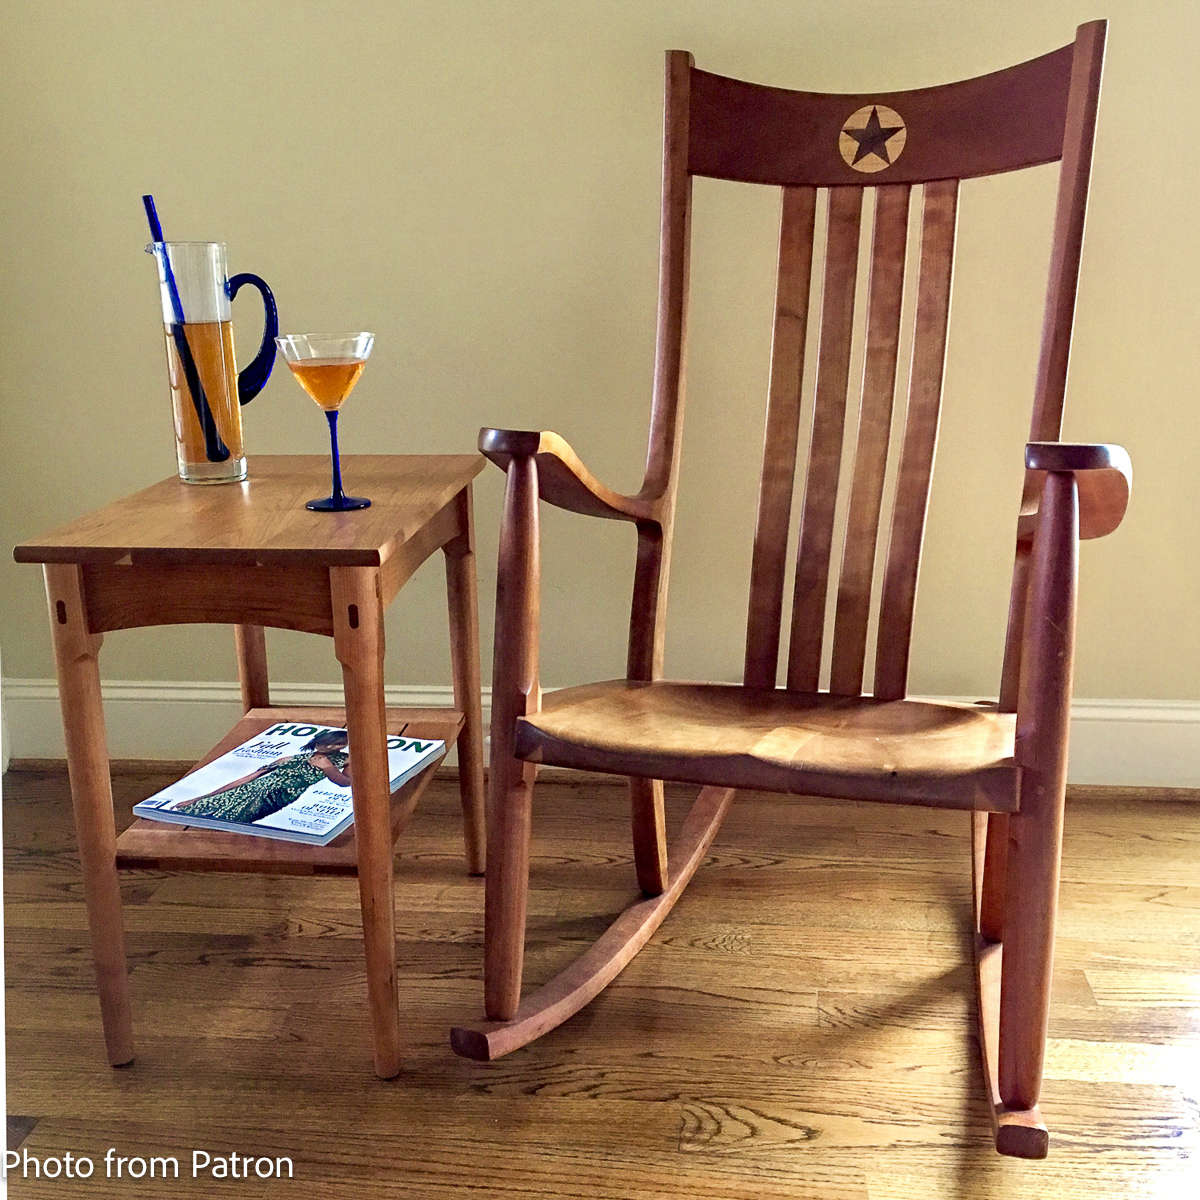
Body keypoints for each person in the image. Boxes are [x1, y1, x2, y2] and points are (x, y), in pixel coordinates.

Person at [169, 729, 353, 824]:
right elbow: (247, 779)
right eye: (327, 743)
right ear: (318, 741)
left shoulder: (345, 759)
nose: (330, 748)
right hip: (244, 791)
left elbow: (348, 783)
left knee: (238, 822)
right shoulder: (288, 758)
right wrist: (198, 797)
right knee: (194, 813)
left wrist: (329, 769)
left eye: (337, 745)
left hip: (273, 798)